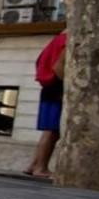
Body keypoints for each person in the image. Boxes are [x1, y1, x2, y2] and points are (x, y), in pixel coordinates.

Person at [25, 30, 66, 178]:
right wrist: (68, 86)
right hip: (57, 88)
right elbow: (58, 66)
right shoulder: (68, 40)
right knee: (53, 130)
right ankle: (40, 168)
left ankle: (33, 165)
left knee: (50, 130)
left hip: (50, 87)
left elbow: (40, 61)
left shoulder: (57, 39)